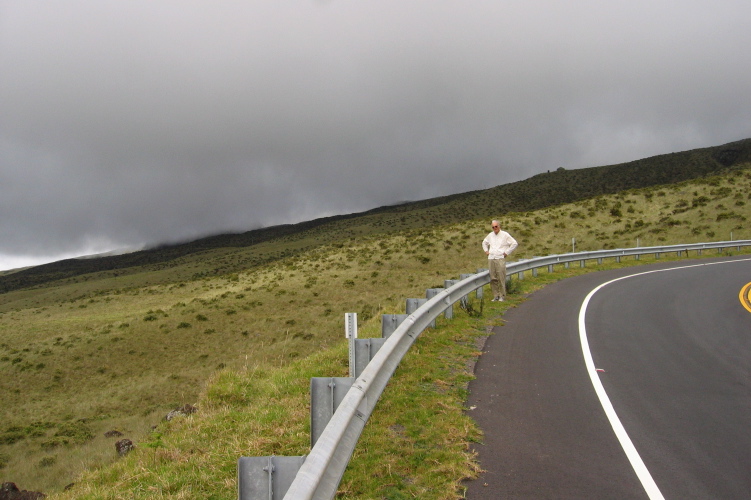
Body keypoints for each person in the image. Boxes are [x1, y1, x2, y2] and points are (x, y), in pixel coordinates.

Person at [482, 220, 518, 301]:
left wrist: (506, 252)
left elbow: (514, 243)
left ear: (499, 226)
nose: (495, 228)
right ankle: (496, 295)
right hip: (491, 258)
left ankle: (502, 295)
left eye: (496, 226)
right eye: (493, 227)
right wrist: (486, 251)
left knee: (501, 277)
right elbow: (484, 242)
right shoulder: (490, 235)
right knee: (493, 278)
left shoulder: (505, 235)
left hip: (500, 258)